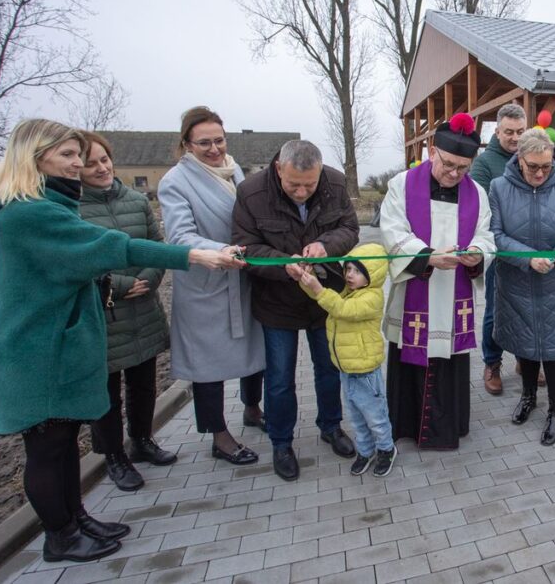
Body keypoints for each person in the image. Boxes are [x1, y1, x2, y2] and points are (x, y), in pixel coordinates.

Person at [0, 120, 241, 563]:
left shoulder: (47, 206)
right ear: (35, 157)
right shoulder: (31, 213)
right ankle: (59, 536)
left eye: (76, 153)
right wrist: (194, 254)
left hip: (54, 349)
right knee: (47, 450)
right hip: (35, 354)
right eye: (66, 155)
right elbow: (113, 245)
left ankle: (76, 519)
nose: (78, 162)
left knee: (64, 444)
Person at [232, 139, 359, 481]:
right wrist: (281, 263)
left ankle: (331, 426)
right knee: (279, 379)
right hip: (277, 301)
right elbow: (245, 247)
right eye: (293, 185)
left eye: (309, 185)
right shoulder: (250, 192)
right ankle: (281, 442)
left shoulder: (334, 183)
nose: (302, 192)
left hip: (322, 297)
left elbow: (349, 228)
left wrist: (325, 245)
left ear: (320, 173)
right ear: (278, 170)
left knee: (329, 369)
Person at [379, 113, 496, 450]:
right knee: (409, 361)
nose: (454, 173)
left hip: (454, 293)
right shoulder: (402, 185)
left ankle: (449, 428)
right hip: (417, 288)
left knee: (450, 364)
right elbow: (392, 232)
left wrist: (476, 253)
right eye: (448, 164)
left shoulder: (477, 194)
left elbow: (485, 237)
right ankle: (406, 425)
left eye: (463, 167)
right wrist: (427, 256)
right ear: (432, 151)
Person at [158, 106, 266, 466]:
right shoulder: (175, 182)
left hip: (243, 278)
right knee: (208, 366)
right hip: (207, 283)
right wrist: (218, 250)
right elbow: (179, 236)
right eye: (204, 143)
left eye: (219, 140)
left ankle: (252, 408)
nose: (214, 149)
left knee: (256, 353)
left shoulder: (234, 171)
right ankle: (219, 437)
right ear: (186, 144)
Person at [79, 132, 178, 492]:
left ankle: (142, 440)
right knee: (106, 393)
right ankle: (113, 457)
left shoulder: (136, 200)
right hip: (104, 314)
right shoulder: (71, 209)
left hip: (143, 309)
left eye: (104, 160)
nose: (101, 168)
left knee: (143, 382)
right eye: (91, 163)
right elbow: (76, 260)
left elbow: (156, 246)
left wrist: (149, 278)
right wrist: (120, 286)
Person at [489, 129, 555, 446]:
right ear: (520, 160)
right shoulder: (499, 188)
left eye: (546, 166)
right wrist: (528, 259)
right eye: (533, 166)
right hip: (517, 282)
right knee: (525, 344)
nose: (541, 173)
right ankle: (528, 397)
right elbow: (496, 235)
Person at [292, 244, 397, 477]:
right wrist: (306, 279)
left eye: (357, 271)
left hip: (366, 371)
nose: (349, 274)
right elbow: (326, 299)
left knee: (375, 417)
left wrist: (318, 289)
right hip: (346, 369)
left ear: (372, 274)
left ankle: (386, 449)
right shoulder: (349, 291)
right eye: (348, 268)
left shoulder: (372, 297)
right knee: (357, 418)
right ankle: (366, 451)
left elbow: (342, 309)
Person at [470, 103, 527, 395]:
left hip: (527, 249)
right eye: (509, 132)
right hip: (498, 249)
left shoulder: (530, 157)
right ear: (498, 130)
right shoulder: (484, 164)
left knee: (525, 308)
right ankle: (492, 362)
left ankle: (524, 359)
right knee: (495, 310)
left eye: (520, 131)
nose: (515, 138)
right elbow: (481, 208)